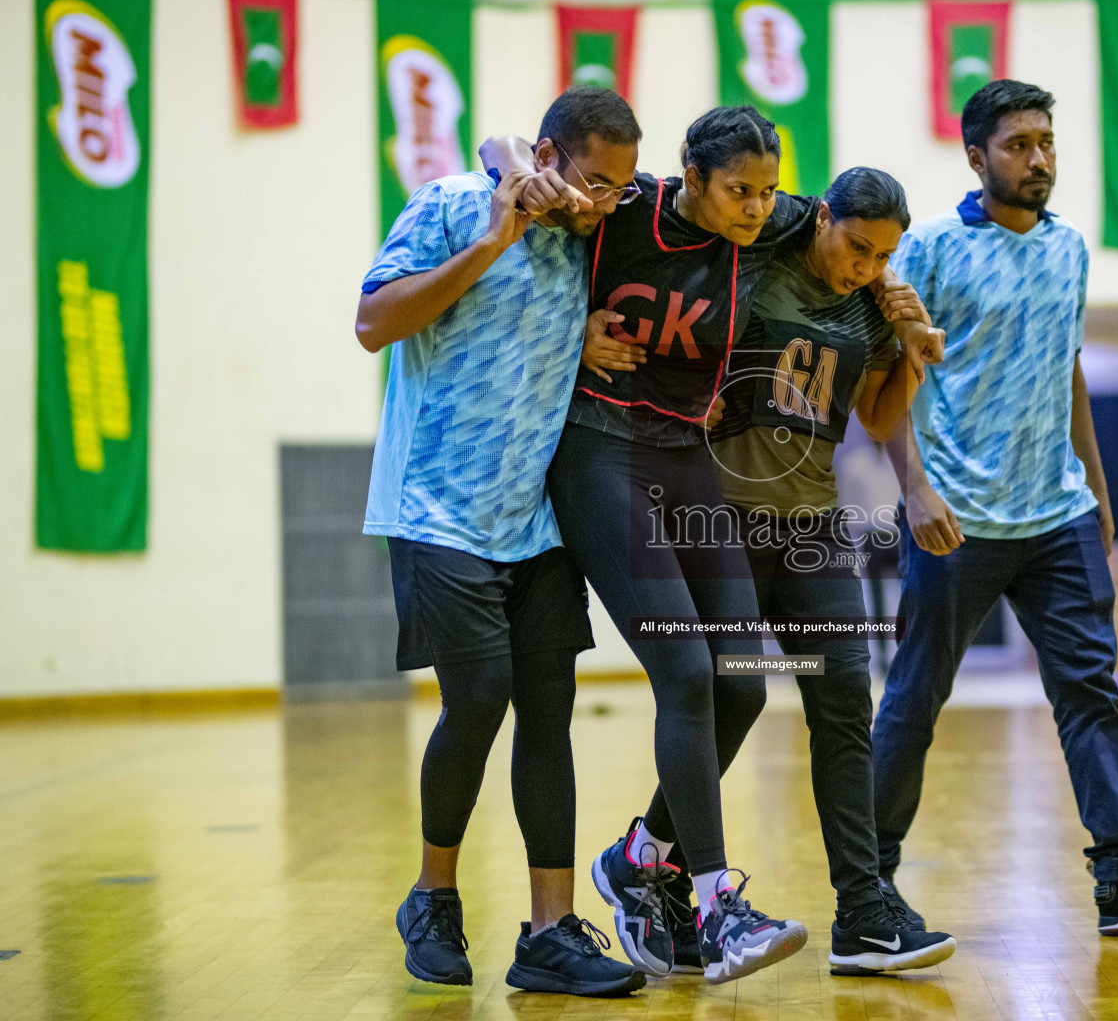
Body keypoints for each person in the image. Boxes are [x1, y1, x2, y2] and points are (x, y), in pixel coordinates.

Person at [481, 108, 935, 984]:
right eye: (740, 190)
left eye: (768, 191)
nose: (757, 208)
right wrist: (520, 177)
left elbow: (854, 240)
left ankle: (642, 864)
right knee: (687, 675)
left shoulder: (781, 224)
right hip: (600, 448)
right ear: (690, 173)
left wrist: (890, 298)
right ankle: (719, 905)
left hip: (687, 451)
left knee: (744, 690)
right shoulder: (624, 208)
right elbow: (507, 151)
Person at [867, 80, 1118, 937]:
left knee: (1090, 692)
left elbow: (1068, 371)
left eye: (1047, 142)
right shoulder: (933, 249)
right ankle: (868, 885)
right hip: (960, 518)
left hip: (1056, 515)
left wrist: (1096, 489)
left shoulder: (1069, 250)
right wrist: (913, 488)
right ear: (977, 155)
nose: (1038, 158)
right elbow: (888, 382)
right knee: (915, 697)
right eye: (1019, 144)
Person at [584, 166, 954, 975]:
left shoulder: (872, 301)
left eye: (881, 256)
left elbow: (878, 415)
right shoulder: (753, 251)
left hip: (813, 523)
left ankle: (862, 911)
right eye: (856, 247)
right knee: (734, 692)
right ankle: (649, 861)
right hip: (719, 513)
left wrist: (910, 349)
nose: (864, 266)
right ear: (821, 216)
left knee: (844, 706)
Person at [355, 87, 645, 996]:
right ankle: (432, 896)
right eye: (592, 180)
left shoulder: (594, 235)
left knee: (548, 711)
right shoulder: (449, 205)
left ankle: (551, 931)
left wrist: (583, 337)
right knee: (478, 696)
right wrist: (492, 240)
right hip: (436, 507)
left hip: (535, 518)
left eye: (619, 190)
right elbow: (373, 323)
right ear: (550, 155)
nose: (604, 201)